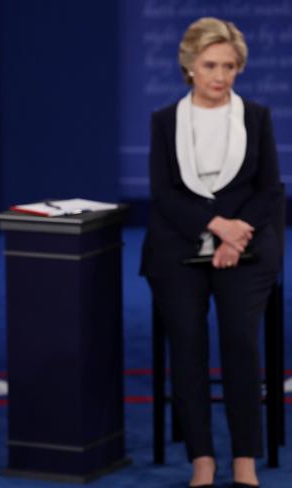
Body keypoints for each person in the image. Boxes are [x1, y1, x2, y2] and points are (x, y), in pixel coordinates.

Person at [140, 17, 281, 488]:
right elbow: (163, 193)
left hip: (247, 248)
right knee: (188, 347)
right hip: (178, 248)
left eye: (229, 65)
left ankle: (245, 458)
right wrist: (216, 225)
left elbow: (269, 190)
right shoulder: (164, 121)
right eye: (210, 65)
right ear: (189, 67)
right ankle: (202, 458)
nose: (220, 76)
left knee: (240, 343)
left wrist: (234, 236)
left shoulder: (257, 117)